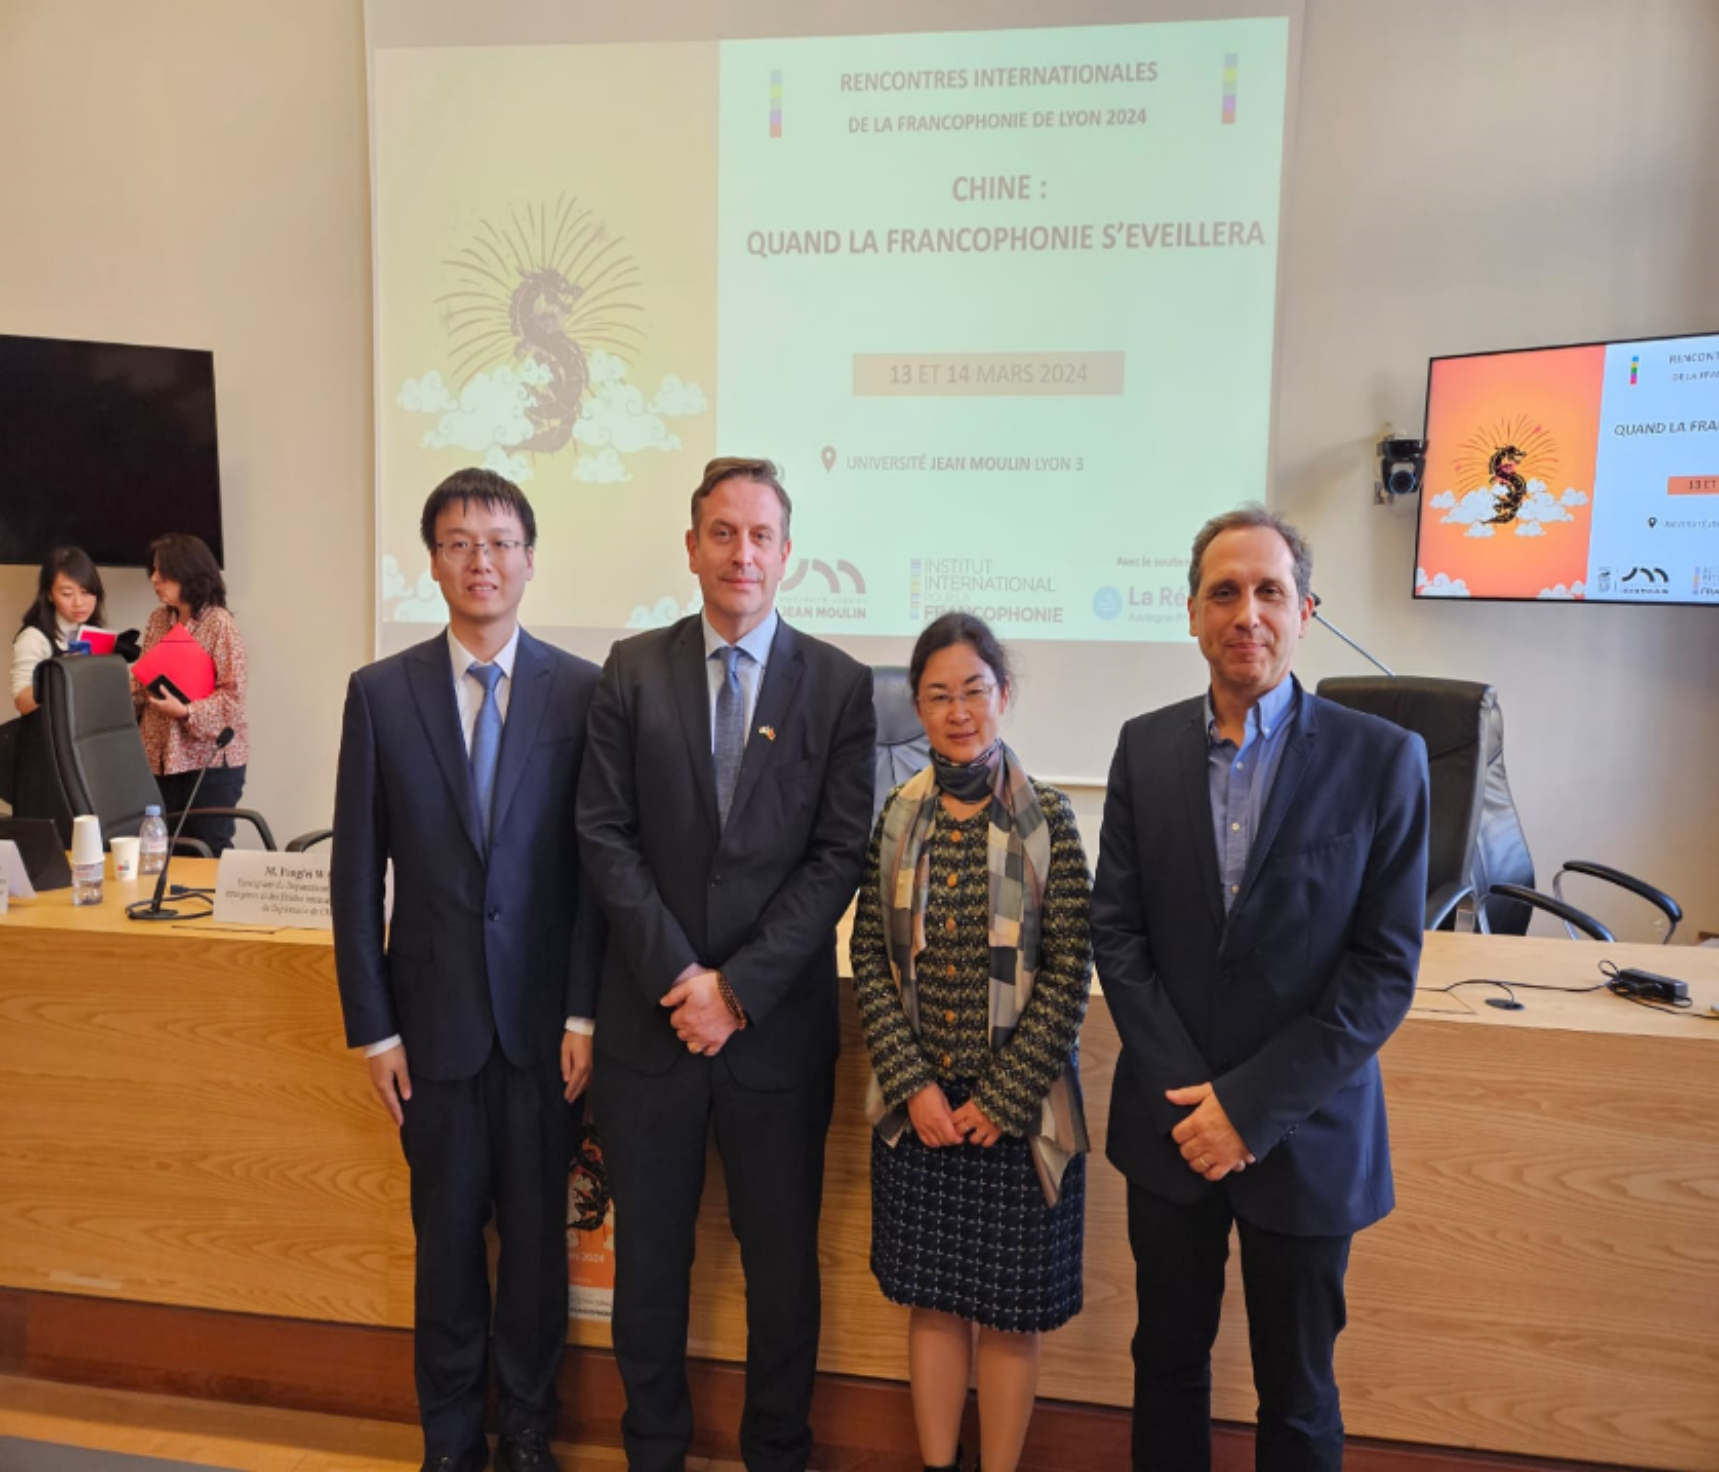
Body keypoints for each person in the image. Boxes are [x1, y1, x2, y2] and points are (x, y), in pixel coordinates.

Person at [1091, 505, 1429, 1472]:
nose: (1247, 613)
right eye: (1224, 592)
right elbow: (1118, 932)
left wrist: (1245, 1110)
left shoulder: (1382, 759)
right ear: (1191, 615)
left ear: (1304, 611)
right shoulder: (1143, 748)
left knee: (1297, 1393)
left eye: (1269, 591)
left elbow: (1381, 969)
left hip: (1306, 1134)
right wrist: (1195, 1104)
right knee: (1165, 1366)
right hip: (1170, 1132)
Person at [577, 456, 876, 1472]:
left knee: (781, 1273)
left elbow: (838, 856)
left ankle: (776, 1453)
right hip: (649, 1028)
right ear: (692, 545)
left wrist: (737, 991)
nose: (740, 552)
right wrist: (684, 980)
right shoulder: (631, 670)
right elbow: (603, 833)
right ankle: (651, 1451)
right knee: (649, 1267)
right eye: (722, 532)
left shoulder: (837, 685)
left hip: (775, 1036)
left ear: (787, 554)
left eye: (759, 535)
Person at [331, 468, 603, 1472]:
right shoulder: (380, 693)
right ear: (433, 562)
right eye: (458, 542)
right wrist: (374, 1027)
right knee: (445, 1248)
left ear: (528, 559)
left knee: (534, 1248)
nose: (480, 560)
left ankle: (527, 1430)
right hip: (430, 1031)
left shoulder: (583, 691)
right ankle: (449, 1441)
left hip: (543, 1035)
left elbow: (596, 870)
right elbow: (356, 874)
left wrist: (584, 1012)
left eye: (498, 542)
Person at [851, 612, 1092, 1472]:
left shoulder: (1048, 819)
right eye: (938, 696)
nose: (958, 712)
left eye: (974, 691)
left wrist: (1001, 1098)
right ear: (916, 707)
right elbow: (869, 958)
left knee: (1010, 1315)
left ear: (1003, 694)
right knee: (933, 1304)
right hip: (920, 1111)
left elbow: (1069, 969)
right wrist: (912, 1084)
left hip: (1017, 1117)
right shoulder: (897, 815)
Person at [131, 533, 249, 854]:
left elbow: (233, 699)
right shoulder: (158, 619)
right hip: (159, 761)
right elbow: (146, 678)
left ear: (189, 573)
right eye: (153, 571)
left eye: (164, 573)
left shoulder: (219, 624)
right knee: (166, 850)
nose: (154, 580)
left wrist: (186, 711)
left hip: (209, 762)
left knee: (208, 850)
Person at [11, 545, 106, 715]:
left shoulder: (93, 631)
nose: (79, 603)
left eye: (86, 593)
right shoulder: (34, 637)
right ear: (49, 595)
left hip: (85, 725)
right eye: (67, 594)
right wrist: (62, 672)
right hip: (48, 729)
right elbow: (22, 702)